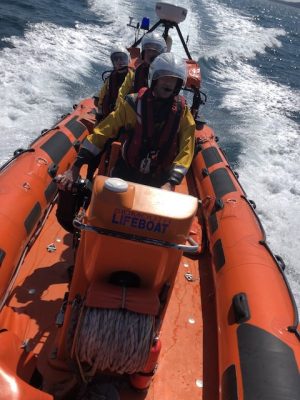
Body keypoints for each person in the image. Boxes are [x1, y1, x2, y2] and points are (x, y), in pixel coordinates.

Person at [56, 52, 195, 192]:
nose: (169, 83)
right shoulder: (133, 104)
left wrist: (170, 183)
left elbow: (186, 148)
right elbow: (101, 133)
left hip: (160, 179)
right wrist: (75, 167)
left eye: (174, 79)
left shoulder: (182, 112)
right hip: (126, 172)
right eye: (164, 77)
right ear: (154, 78)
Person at [116, 32, 167, 106]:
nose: (151, 54)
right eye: (148, 50)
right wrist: (120, 110)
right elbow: (122, 94)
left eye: (155, 50)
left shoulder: (168, 75)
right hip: (136, 112)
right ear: (143, 53)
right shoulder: (135, 73)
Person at [96, 46, 129, 119]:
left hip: (127, 117)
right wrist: (100, 114)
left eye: (122, 58)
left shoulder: (133, 77)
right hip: (111, 116)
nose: (119, 61)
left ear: (127, 60)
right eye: (116, 59)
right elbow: (101, 98)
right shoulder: (110, 80)